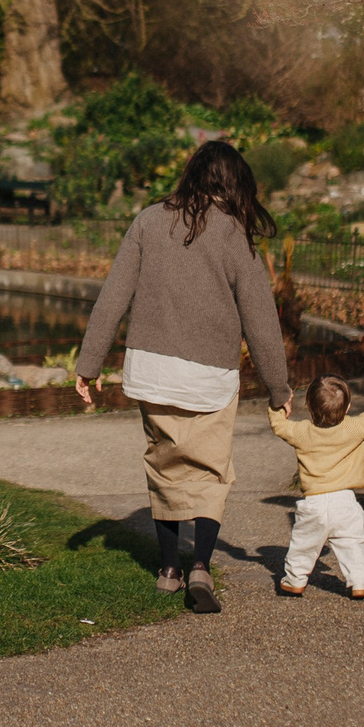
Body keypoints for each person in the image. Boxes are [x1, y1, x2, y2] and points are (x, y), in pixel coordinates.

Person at [72, 141, 291, 614]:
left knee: (164, 466)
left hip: (152, 369)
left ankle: (168, 569)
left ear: (191, 174)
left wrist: (89, 364)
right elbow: (261, 319)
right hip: (211, 373)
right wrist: (279, 388)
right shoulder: (236, 233)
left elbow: (113, 295)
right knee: (211, 473)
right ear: (235, 183)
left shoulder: (149, 220)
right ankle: (201, 567)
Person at [270, 375, 364, 599]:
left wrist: (279, 404)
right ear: (348, 406)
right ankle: (359, 582)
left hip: (314, 502)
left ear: (309, 406)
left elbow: (279, 426)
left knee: (304, 544)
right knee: (354, 543)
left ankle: (295, 580)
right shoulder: (355, 428)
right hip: (346, 502)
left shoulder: (303, 432)